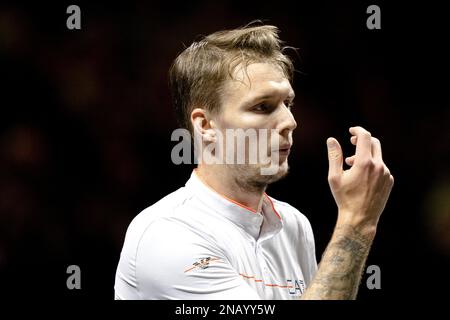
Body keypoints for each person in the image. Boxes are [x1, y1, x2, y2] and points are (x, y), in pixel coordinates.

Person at [114, 23, 394, 300]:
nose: (290, 121)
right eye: (262, 106)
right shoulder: (167, 234)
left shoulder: (294, 225)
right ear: (205, 124)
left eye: (288, 103)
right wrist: (357, 223)